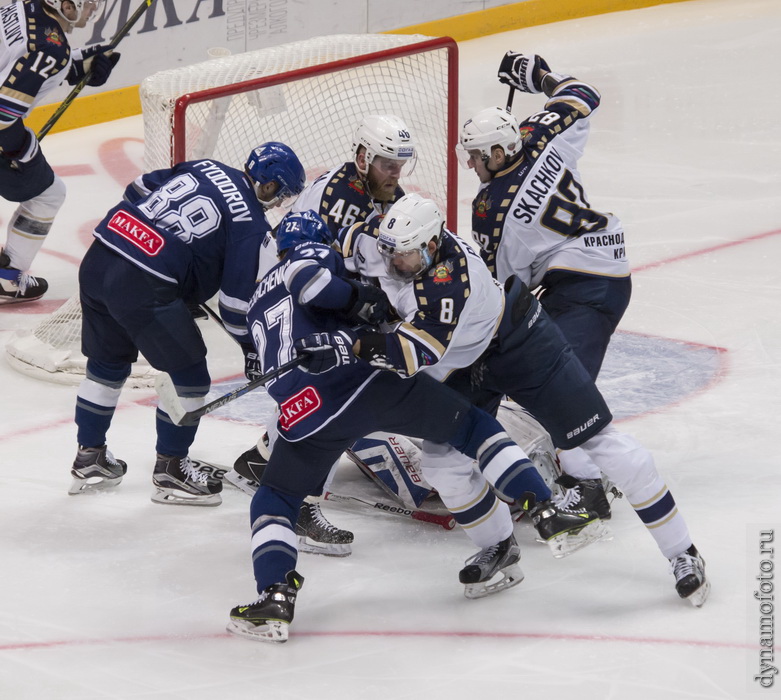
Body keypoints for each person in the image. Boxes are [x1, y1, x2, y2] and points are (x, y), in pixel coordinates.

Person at [227, 210, 602, 642]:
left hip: (301, 409)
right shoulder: (310, 256)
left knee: (275, 497)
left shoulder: (256, 300)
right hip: (365, 385)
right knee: (472, 427)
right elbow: (314, 283)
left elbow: (256, 356)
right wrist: (353, 311)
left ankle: (275, 596)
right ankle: (545, 509)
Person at [341, 193, 709, 608]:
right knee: (443, 465)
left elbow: (410, 355)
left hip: (520, 342)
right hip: (466, 360)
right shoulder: (385, 243)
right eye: (387, 253)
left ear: (430, 245)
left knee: (601, 442)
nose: (392, 264)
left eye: (403, 257)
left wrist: (346, 342)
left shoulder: (448, 280)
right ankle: (499, 546)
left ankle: (682, 552)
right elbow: (347, 243)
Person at [68, 142, 306, 506]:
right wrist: (251, 349)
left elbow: (138, 189)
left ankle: (90, 458)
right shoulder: (251, 226)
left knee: (106, 365)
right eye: (280, 194)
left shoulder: (206, 165)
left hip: (101, 255)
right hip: (143, 282)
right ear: (269, 185)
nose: (276, 204)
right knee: (191, 377)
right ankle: (171, 470)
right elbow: (234, 306)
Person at [226, 113, 418, 552]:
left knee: (315, 395)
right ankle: (301, 504)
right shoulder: (334, 195)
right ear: (363, 156)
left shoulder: (384, 192)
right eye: (388, 162)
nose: (396, 172)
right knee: (332, 394)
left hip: (310, 292)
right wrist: (363, 303)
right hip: (292, 294)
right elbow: (312, 271)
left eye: (400, 163)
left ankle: (259, 463)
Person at [457, 52, 634, 515]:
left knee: (558, 389)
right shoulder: (537, 133)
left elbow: (500, 289)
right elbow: (582, 95)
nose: (471, 164)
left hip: (587, 288)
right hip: (599, 271)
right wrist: (537, 75)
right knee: (549, 380)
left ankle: (589, 488)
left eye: (476, 156)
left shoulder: (491, 209)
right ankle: (572, 465)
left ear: (498, 153)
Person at [0, 0, 120, 303]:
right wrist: (22, 151)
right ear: (67, 5)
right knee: (47, 194)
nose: (94, 8)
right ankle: (7, 278)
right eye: (89, 2)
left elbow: (23, 59)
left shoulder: (19, 6)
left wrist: (77, 64)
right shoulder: (51, 50)